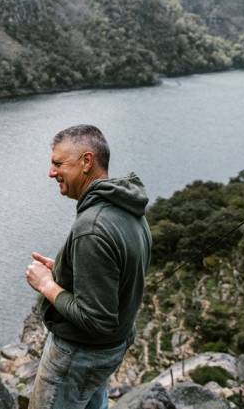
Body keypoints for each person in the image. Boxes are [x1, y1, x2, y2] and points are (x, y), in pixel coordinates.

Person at [25, 124, 151, 409]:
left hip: (78, 355)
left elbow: (97, 320)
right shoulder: (129, 209)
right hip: (111, 349)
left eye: (58, 164)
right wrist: (68, 268)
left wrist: (47, 284)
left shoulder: (92, 227)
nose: (50, 172)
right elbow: (118, 270)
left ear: (86, 161)